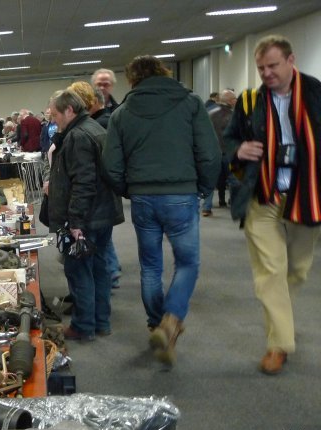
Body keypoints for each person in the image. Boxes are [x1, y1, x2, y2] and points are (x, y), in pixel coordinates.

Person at [102, 55, 220, 366]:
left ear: (132, 80)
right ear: (163, 72)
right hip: (182, 194)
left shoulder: (121, 113)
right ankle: (171, 321)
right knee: (188, 263)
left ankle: (156, 324)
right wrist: (204, 188)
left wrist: (130, 189)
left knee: (151, 268)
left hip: (143, 198)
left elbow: (110, 165)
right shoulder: (191, 104)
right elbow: (209, 153)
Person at [223, 35, 321, 375]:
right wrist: (238, 150)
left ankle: (282, 322)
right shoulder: (250, 101)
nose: (266, 73)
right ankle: (279, 344)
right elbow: (229, 139)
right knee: (270, 271)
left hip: (306, 197)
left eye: (273, 66)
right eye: (261, 68)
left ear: (291, 61)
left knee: (298, 270)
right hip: (262, 196)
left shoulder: (316, 93)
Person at [48, 89, 124, 342]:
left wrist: (76, 221)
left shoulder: (78, 136)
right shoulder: (94, 128)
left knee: (79, 270)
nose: (54, 120)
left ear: (69, 110)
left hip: (87, 217)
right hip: (103, 213)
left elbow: (83, 182)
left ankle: (83, 326)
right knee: (99, 270)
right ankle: (101, 322)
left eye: (55, 115)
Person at [202, 89, 237, 216]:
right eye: (234, 99)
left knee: (211, 179)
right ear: (230, 101)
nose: (236, 101)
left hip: (212, 152)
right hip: (228, 152)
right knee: (233, 179)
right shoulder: (233, 115)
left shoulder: (209, 112)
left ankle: (206, 207)